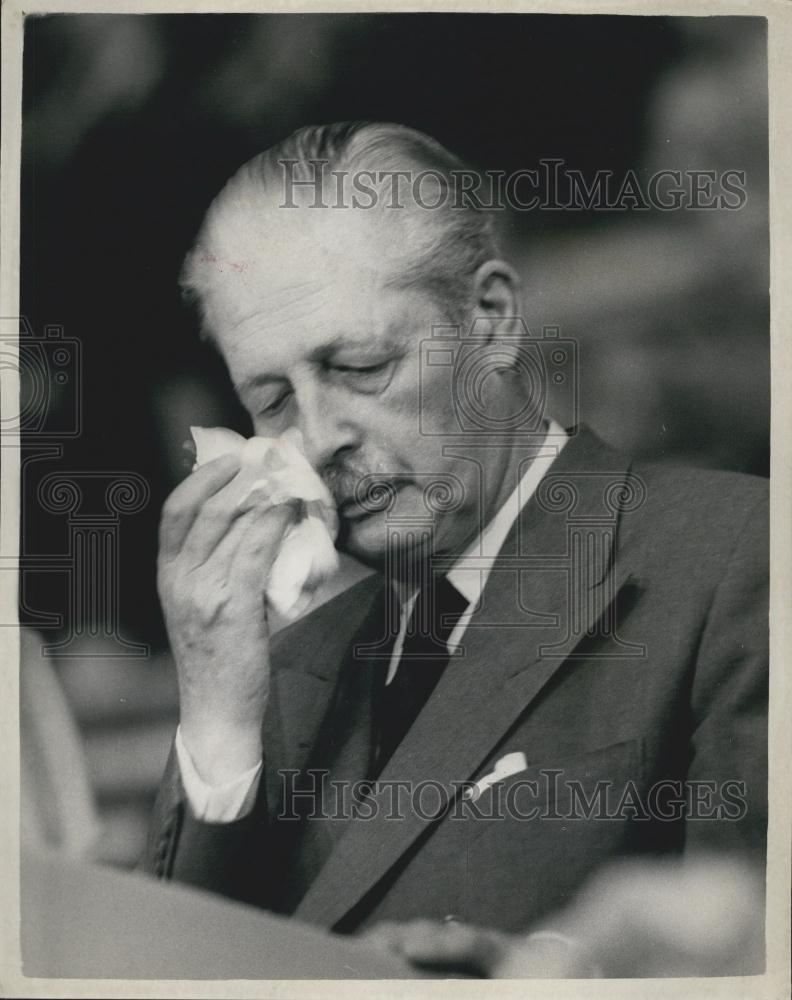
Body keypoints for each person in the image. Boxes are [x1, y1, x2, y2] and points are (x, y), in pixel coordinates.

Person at [142, 122, 767, 974]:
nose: (320, 438)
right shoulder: (277, 677)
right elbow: (159, 977)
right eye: (272, 401)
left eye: (361, 366)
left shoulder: (734, 553)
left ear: (492, 320)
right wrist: (215, 714)